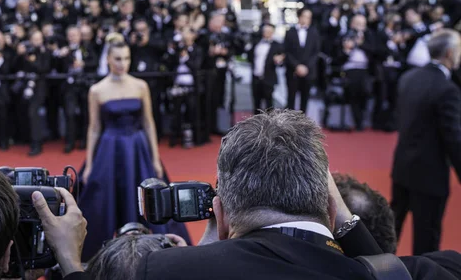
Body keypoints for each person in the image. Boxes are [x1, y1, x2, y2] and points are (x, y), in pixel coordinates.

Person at [135, 110, 461, 280]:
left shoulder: (162, 271)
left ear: (220, 217)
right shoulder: (420, 272)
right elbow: (390, 270)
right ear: (332, 213)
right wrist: (347, 223)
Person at [79, 33, 191, 261]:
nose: (123, 63)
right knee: (104, 204)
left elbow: (149, 123)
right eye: (118, 58)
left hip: (137, 149)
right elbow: (94, 128)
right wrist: (90, 164)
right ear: (109, 59)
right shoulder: (97, 90)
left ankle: (157, 254)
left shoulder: (141, 86)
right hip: (110, 149)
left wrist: (156, 158)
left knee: (149, 201)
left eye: (127, 58)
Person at [391, 29, 461, 255]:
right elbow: (454, 138)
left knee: (390, 232)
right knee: (426, 243)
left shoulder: (408, 78)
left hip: (402, 167)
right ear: (450, 53)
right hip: (430, 176)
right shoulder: (447, 89)